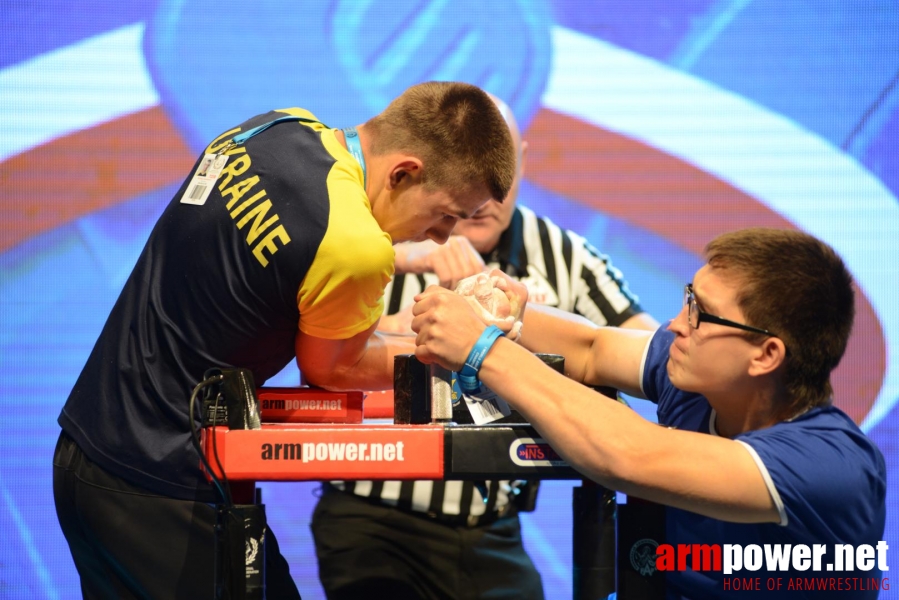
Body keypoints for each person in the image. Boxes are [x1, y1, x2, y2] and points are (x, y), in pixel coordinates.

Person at [52, 81, 516, 599]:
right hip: (161, 485)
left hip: (84, 454)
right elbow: (334, 368)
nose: (442, 236)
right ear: (403, 172)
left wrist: (416, 287)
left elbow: (286, 273)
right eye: (446, 214)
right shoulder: (352, 246)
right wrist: (468, 344)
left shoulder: (273, 127)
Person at [412, 228, 887, 599]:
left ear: (765, 355)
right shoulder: (700, 379)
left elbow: (630, 456)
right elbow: (593, 347)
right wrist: (506, 312)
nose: (678, 324)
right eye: (688, 298)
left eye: (702, 313)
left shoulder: (829, 468)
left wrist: (483, 350)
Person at [311, 96, 658, 600]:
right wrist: (415, 286)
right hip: (373, 519)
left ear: (518, 159)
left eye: (498, 176)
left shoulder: (565, 255)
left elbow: (651, 351)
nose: (483, 201)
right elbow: (325, 348)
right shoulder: (368, 237)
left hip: (493, 526)